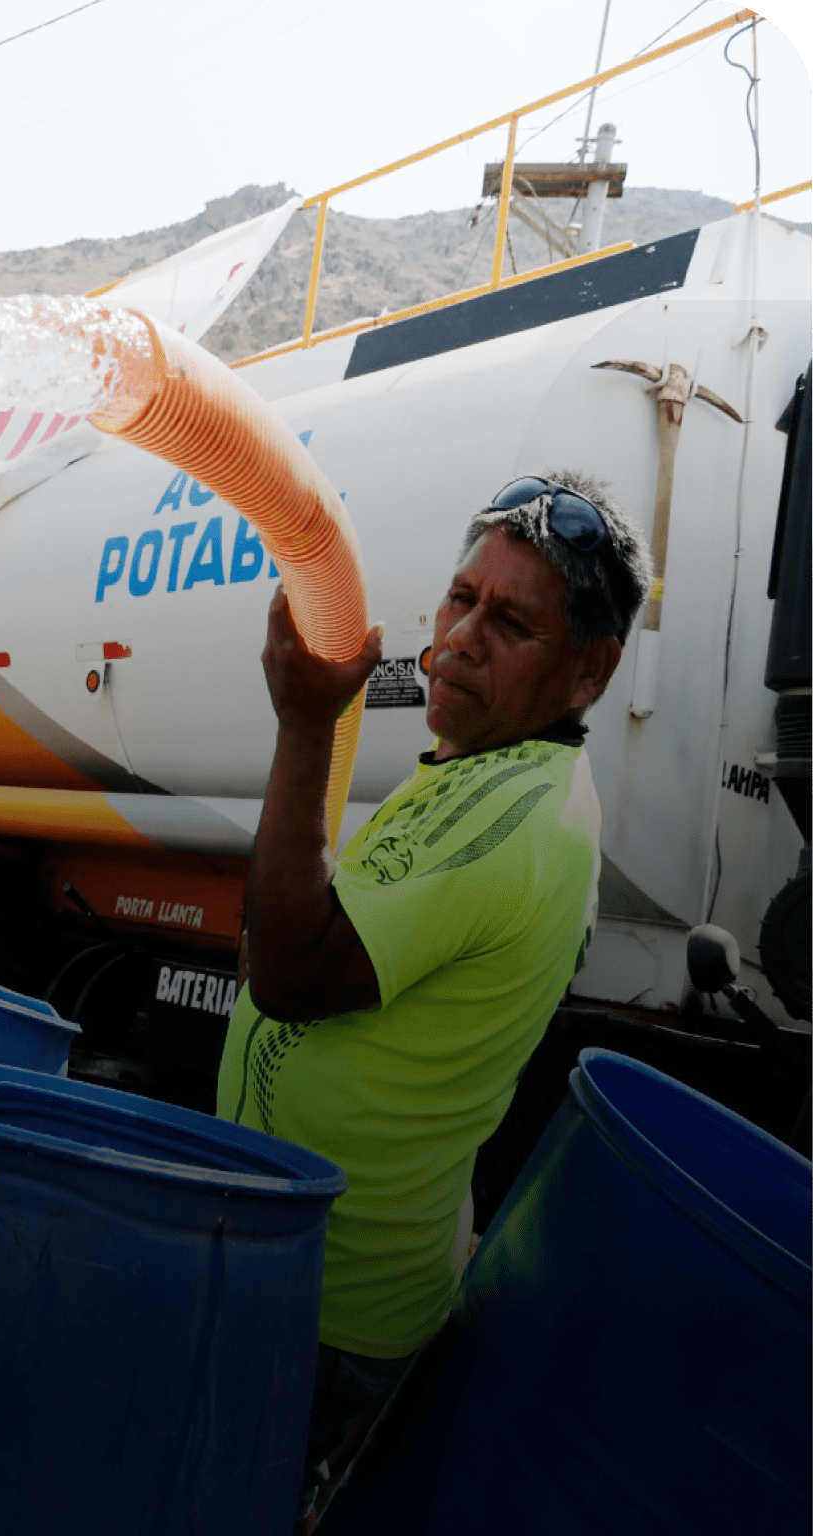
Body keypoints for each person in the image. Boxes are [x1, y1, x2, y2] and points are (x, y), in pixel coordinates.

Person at [215, 471, 652, 1532]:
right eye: (460, 600)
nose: (458, 638)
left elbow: (292, 973)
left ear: (587, 672)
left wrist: (304, 722)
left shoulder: (518, 815)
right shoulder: (485, 766)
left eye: (510, 623)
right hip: (293, 1273)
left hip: (321, 1310)